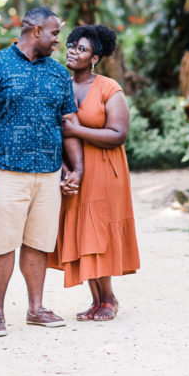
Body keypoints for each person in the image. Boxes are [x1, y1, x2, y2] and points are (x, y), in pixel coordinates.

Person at [0, 6, 83, 338]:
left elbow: (68, 125)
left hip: (47, 174)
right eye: (54, 33)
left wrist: (74, 168)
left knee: (38, 244)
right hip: (3, 170)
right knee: (2, 244)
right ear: (34, 31)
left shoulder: (58, 73)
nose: (59, 41)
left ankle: (36, 309)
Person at [48, 24, 139, 321]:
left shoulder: (108, 88)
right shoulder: (61, 83)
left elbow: (119, 133)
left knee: (99, 228)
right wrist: (64, 169)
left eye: (82, 49)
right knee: (83, 229)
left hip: (105, 169)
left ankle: (109, 299)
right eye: (71, 46)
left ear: (95, 58)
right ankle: (95, 299)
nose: (73, 52)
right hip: (74, 170)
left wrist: (78, 130)